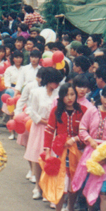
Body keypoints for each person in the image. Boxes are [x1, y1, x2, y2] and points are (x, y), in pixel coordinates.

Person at [41, 83, 86, 211]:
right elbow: (49, 131)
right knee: (60, 181)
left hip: (77, 151)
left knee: (74, 180)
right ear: (61, 96)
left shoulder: (82, 111)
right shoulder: (56, 111)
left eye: (72, 94)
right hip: (60, 152)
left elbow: (86, 131)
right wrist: (47, 151)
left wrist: (75, 139)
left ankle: (71, 208)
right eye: (66, 95)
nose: (70, 98)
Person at [25, 67, 62, 200]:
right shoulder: (36, 92)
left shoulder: (59, 94)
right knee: (37, 157)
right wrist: (43, 121)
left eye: (58, 82)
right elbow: (32, 110)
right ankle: (37, 186)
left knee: (50, 158)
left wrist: (52, 123)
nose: (56, 84)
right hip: (39, 127)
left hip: (53, 129)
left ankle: (47, 187)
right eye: (54, 81)